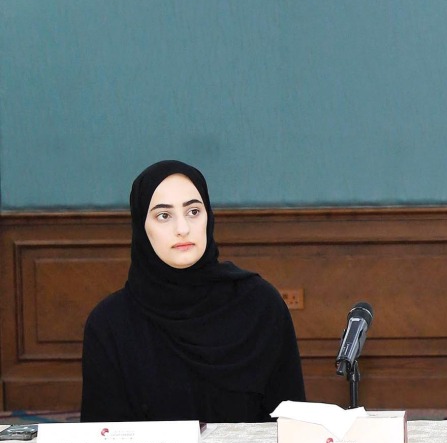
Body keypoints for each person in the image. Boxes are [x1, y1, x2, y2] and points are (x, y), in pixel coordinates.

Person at [81, 160, 305, 422]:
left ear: (208, 217)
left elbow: (291, 426)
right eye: (164, 216)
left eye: (194, 211)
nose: (183, 229)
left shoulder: (260, 305)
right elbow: (104, 440)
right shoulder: (110, 324)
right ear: (141, 226)